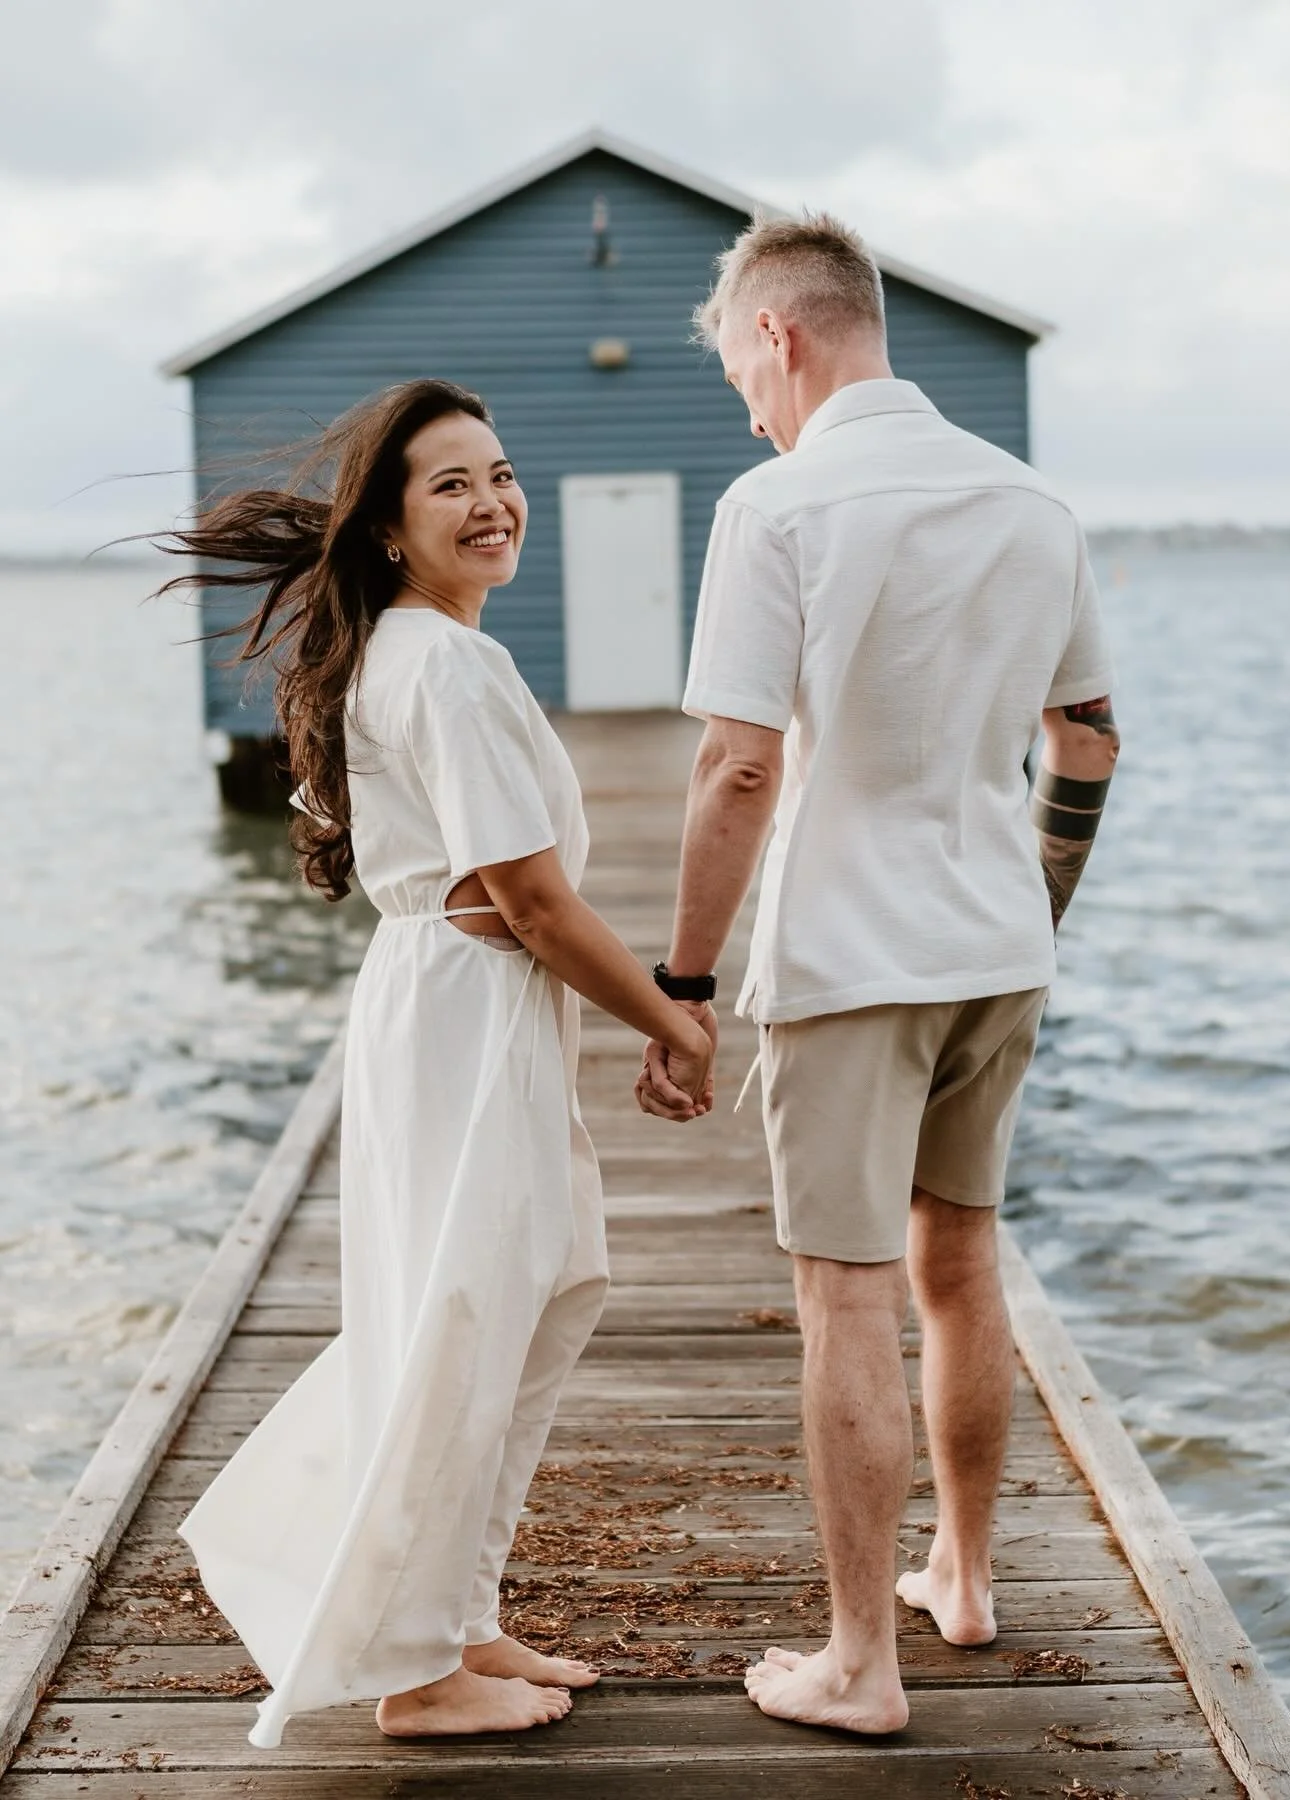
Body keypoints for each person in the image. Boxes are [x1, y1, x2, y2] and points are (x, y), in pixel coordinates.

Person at [157, 379, 713, 1747]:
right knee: (465, 1321)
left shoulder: (407, 651)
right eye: (451, 483)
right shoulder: (444, 665)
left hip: (447, 1004)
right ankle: (416, 1673)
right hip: (468, 1011)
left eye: (500, 474)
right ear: (389, 528)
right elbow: (530, 901)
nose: (492, 502)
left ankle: (459, 1615)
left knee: (520, 1299)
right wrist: (674, 1019)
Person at [636, 217, 1119, 1734]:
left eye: (741, 374)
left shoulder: (778, 505)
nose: (747, 411)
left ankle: (859, 1663)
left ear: (778, 335)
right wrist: (1034, 900)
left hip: (850, 959)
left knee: (844, 1295)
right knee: (961, 1267)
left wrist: (684, 981)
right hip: (996, 948)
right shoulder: (1034, 504)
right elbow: (1088, 734)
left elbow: (736, 768)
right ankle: (961, 1580)